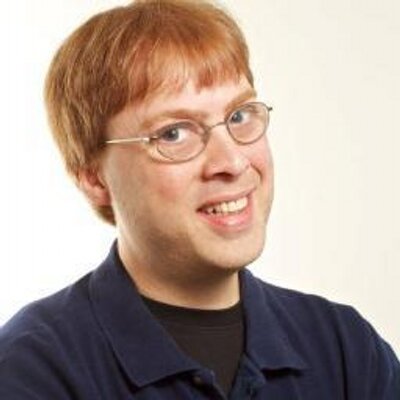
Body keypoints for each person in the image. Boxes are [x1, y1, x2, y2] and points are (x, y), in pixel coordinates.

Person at [1, 0, 399, 398]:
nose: (233, 162)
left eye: (239, 115)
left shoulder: (345, 348)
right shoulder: (32, 369)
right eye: (174, 133)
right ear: (94, 177)